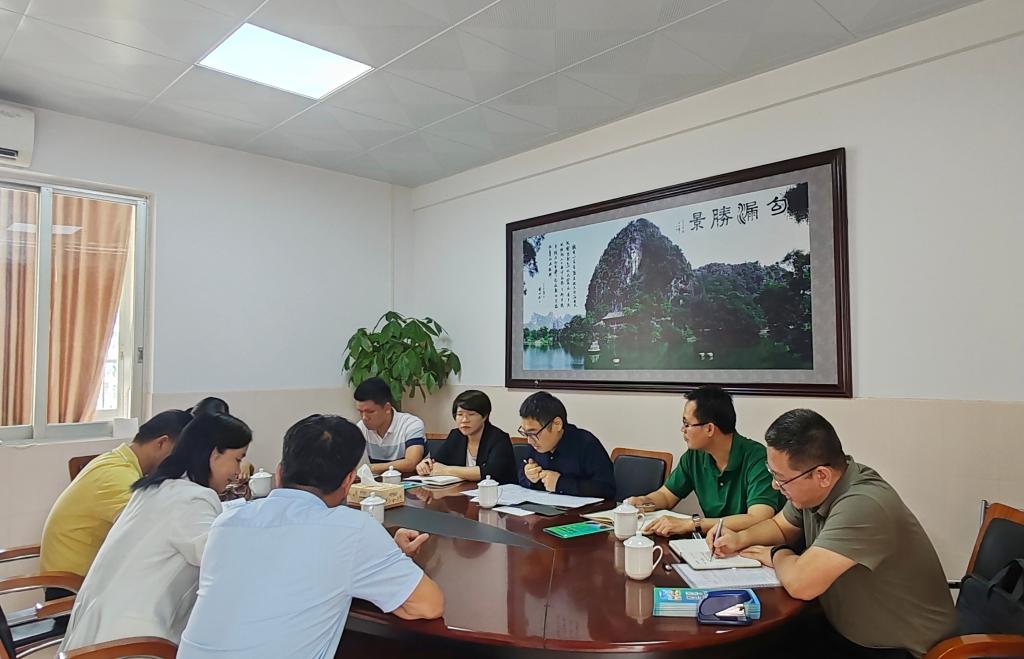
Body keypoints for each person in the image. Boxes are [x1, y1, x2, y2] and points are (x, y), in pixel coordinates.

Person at [177, 414, 444, 659]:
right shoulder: (352, 529)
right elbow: (428, 605)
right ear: (349, 481)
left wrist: (378, 558)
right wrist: (378, 558)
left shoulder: (227, 522)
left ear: (279, 472)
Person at [710, 409, 956, 658]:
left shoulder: (863, 504)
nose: (775, 485)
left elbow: (802, 584)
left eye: (781, 479)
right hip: (842, 629)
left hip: (899, 649)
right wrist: (739, 538)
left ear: (822, 475)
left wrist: (776, 554)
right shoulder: (817, 490)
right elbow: (780, 527)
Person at [58, 410, 252, 653]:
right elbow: (222, 562)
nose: (238, 470)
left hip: (95, 633)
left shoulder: (153, 488)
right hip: (134, 643)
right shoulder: (191, 499)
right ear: (214, 454)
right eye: (237, 459)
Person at [39, 408, 194, 581]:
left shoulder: (117, 460)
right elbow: (151, 534)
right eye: (180, 455)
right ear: (162, 443)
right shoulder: (117, 477)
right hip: (72, 584)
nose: (181, 464)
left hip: (85, 574)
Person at [626, 386, 783, 537]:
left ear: (709, 429)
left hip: (754, 546)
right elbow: (666, 496)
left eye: (687, 424)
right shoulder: (694, 456)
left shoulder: (757, 458)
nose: (682, 430)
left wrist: (692, 524)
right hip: (715, 544)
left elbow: (758, 518)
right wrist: (643, 502)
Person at [517, 391, 614, 499]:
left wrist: (561, 484)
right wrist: (529, 476)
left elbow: (607, 488)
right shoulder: (536, 444)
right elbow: (521, 474)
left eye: (533, 433)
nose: (529, 441)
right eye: (526, 433)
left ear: (557, 424)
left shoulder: (586, 443)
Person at [415, 390, 516, 484]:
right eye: (460, 414)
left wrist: (446, 470)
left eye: (471, 414)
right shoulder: (456, 435)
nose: (464, 420)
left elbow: (490, 473)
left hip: (495, 493)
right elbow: (437, 462)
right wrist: (425, 465)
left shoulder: (499, 439)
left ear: (485, 416)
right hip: (462, 492)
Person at [354, 377, 426, 474]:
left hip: (414, 481)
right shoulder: (361, 428)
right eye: (360, 411)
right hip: (380, 482)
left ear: (387, 408)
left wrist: (370, 468)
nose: (364, 417)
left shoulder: (411, 424)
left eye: (370, 412)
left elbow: (411, 463)